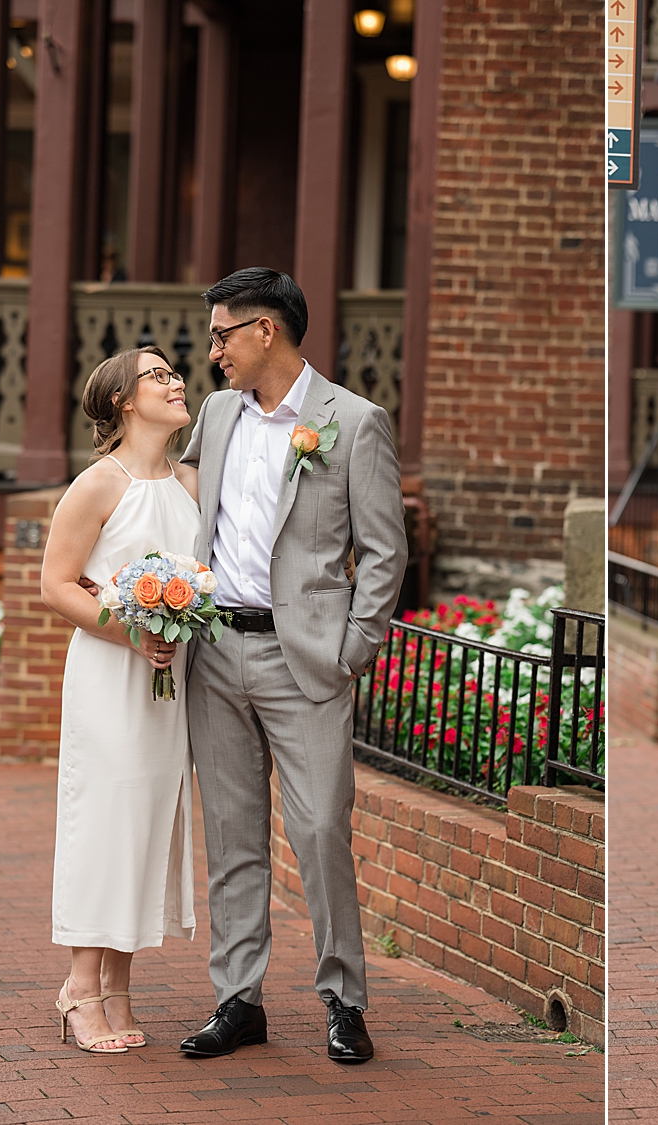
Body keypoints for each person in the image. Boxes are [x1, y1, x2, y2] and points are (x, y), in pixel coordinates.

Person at [175, 268, 407, 1064]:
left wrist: (354, 650)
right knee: (232, 833)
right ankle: (238, 999)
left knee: (317, 830)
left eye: (221, 335)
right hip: (215, 651)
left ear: (266, 330)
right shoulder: (214, 412)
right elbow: (184, 502)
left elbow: (383, 551)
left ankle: (345, 999)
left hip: (305, 659)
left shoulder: (354, 420)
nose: (212, 353)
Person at [40, 346, 200, 1053]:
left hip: (170, 680)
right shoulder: (97, 483)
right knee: (103, 818)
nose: (177, 382)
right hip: (112, 674)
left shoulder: (189, 481)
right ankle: (80, 985)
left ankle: (121, 986)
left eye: (175, 372)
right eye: (160, 375)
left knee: (147, 820)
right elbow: (57, 582)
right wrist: (130, 634)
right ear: (123, 401)